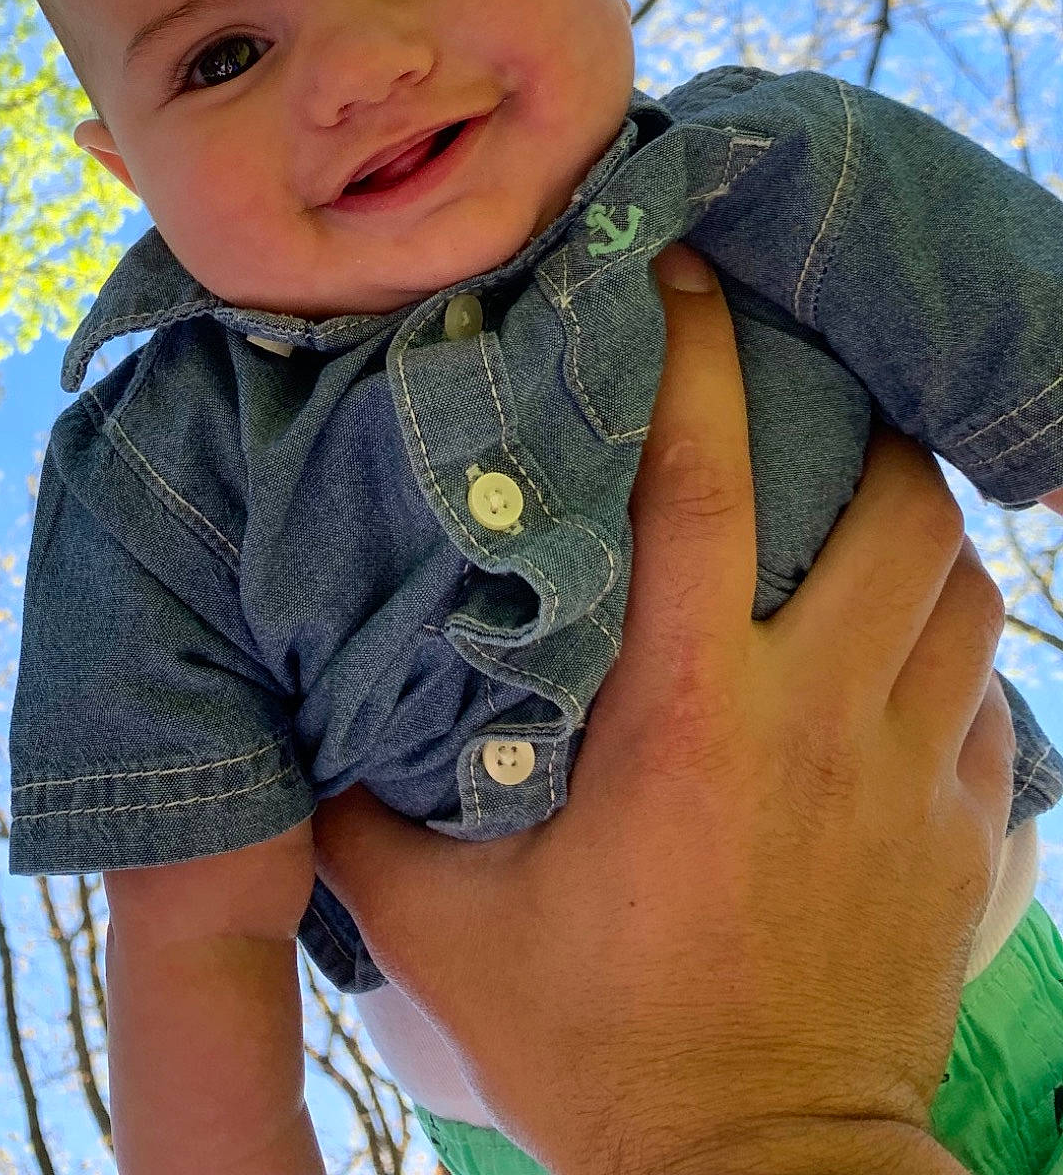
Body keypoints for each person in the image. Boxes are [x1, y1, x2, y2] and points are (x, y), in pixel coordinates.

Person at [4, 0, 1063, 1175]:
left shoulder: (791, 180)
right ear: (131, 177)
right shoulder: (152, 483)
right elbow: (194, 940)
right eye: (223, 56)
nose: (362, 71)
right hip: (543, 1132)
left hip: (994, 996)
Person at [310, 241, 1024, 1175]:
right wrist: (778, 1113)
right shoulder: (171, 443)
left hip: (978, 983)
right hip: (953, 952)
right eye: (221, 79)